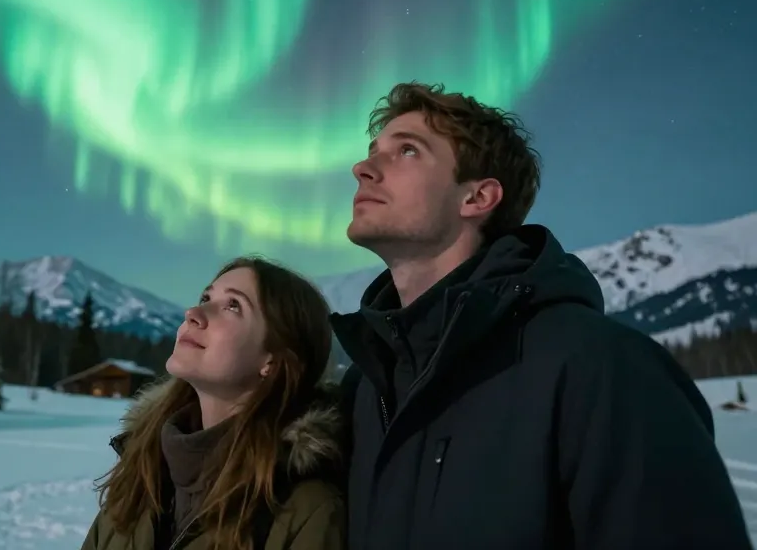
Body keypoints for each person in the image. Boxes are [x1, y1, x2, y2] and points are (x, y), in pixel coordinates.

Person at [331, 81, 752, 549]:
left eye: (407, 151)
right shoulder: (367, 389)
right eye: (373, 151)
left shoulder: (601, 368)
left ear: (477, 198)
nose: (362, 168)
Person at [81, 256, 346, 550]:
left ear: (272, 360)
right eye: (205, 297)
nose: (193, 312)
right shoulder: (140, 470)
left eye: (233, 305)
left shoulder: (305, 511)